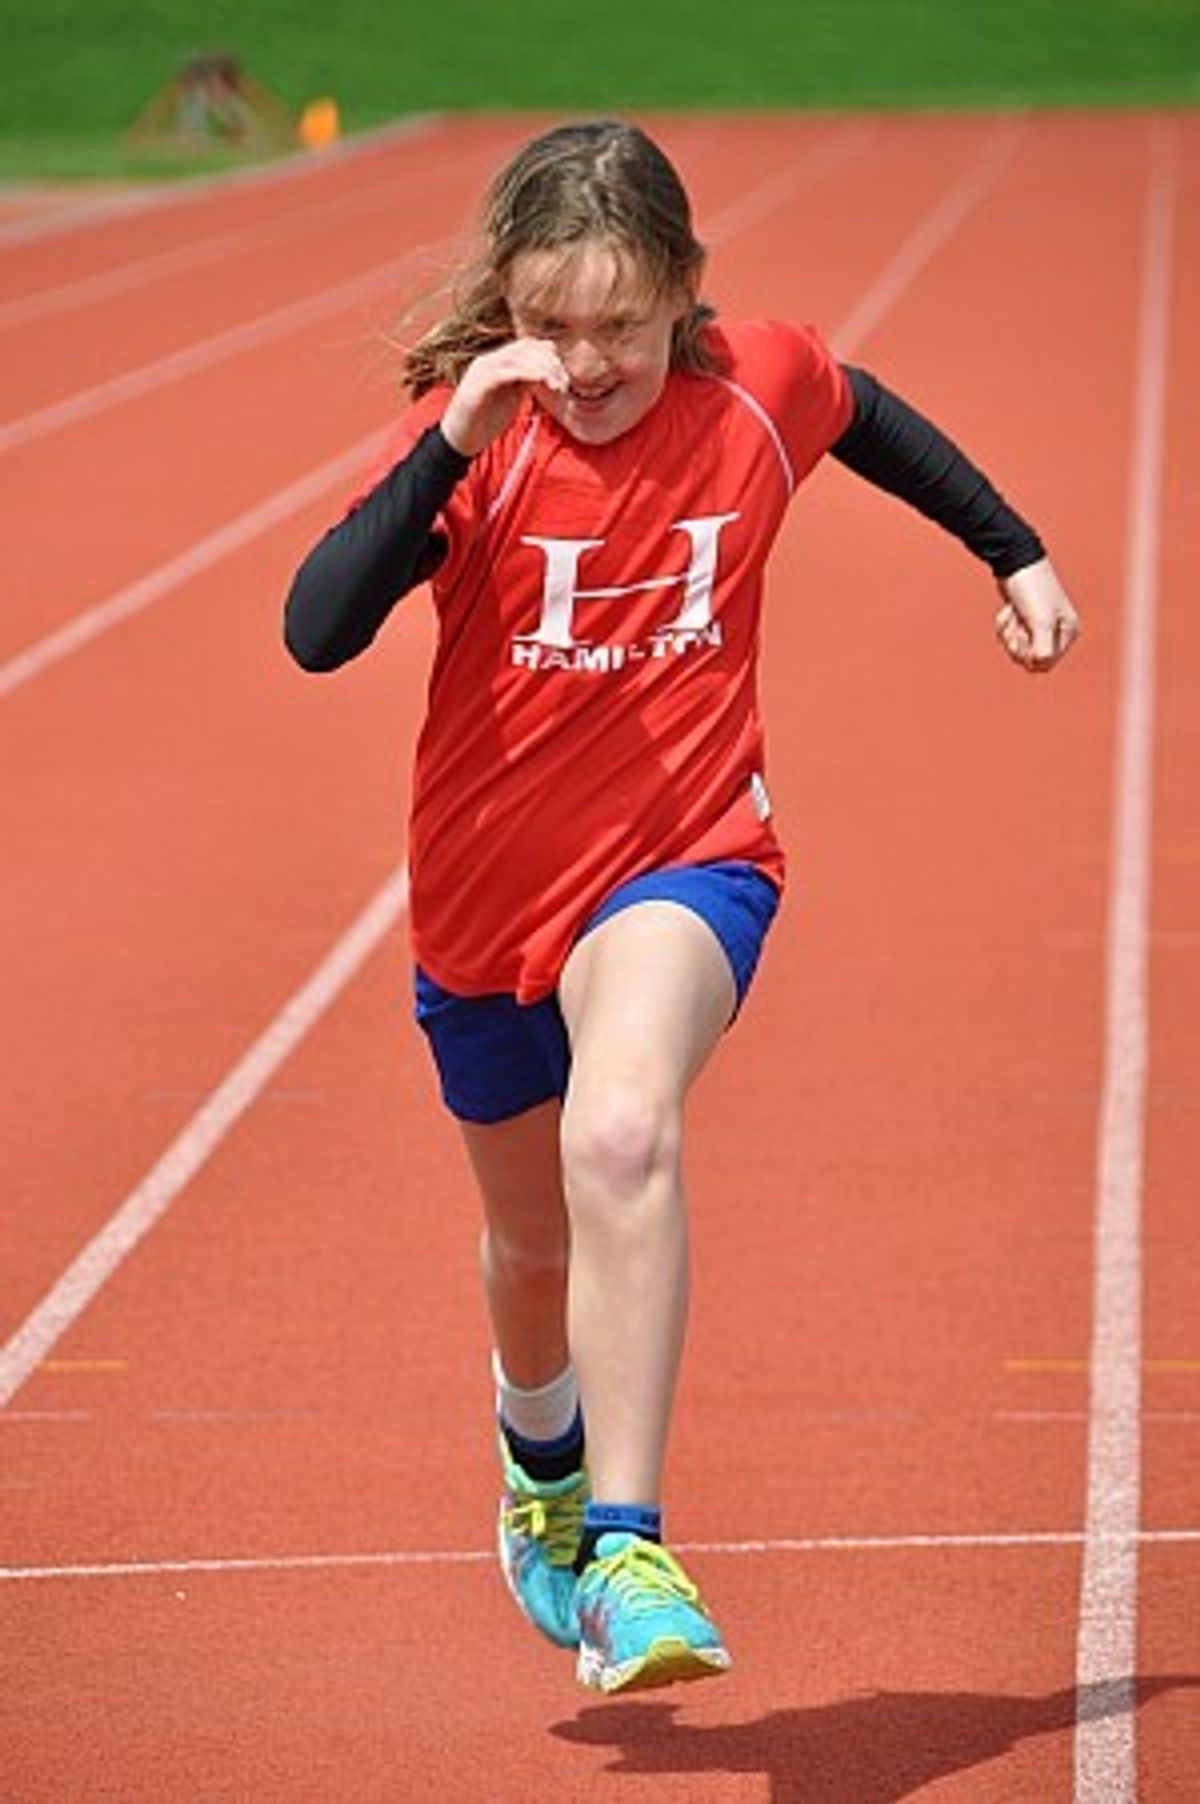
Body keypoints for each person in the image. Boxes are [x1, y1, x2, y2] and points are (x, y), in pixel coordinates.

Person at [283, 118, 1080, 1694]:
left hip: (687, 856)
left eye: (622, 329)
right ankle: (542, 1466)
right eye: (551, 327)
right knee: (529, 1252)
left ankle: (630, 1554)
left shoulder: (751, 387)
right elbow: (316, 631)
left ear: (683, 293)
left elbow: (865, 409)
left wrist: (1017, 552)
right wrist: (453, 439)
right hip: (485, 903)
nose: (586, 365)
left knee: (621, 1132)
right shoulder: (476, 440)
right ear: (510, 309)